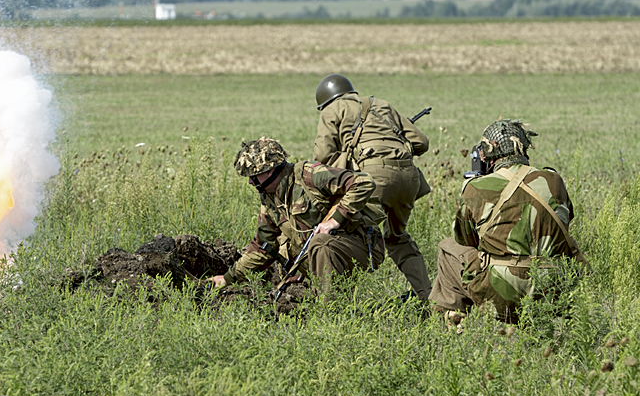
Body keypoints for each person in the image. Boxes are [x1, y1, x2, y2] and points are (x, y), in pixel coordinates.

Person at [429, 119, 587, 323]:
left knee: (448, 247)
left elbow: (464, 237)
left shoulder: (477, 187)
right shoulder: (554, 180)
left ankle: (454, 323)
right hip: (551, 290)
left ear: (485, 154)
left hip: (500, 293)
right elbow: (567, 220)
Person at [312, 74, 433, 299]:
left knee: (345, 233)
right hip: (408, 180)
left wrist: (351, 158)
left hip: (372, 180)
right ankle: (431, 299)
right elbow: (421, 142)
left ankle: (337, 300)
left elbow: (323, 156)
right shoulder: (382, 105)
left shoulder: (331, 110)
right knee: (397, 238)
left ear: (325, 100)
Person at [211, 137, 385, 294]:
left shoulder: (310, 175)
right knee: (286, 246)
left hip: (361, 247)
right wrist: (227, 278)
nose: (250, 181)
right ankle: (322, 295)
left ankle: (330, 312)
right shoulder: (270, 201)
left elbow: (363, 182)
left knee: (319, 242)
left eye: (254, 175)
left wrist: (334, 221)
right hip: (324, 258)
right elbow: (262, 249)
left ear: (270, 170)